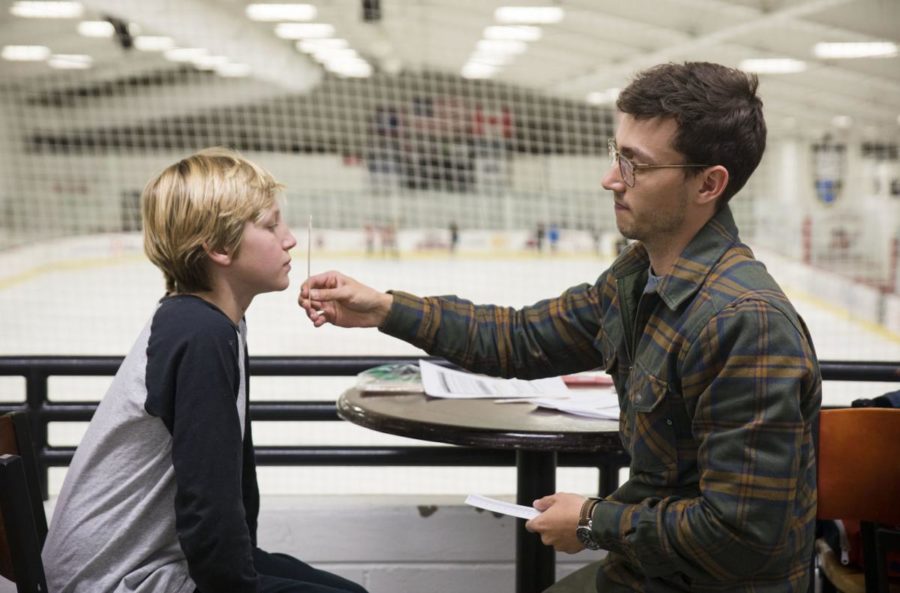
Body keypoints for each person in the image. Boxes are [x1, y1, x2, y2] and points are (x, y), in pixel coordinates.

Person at [299, 62, 821, 592]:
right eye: (616, 154)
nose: (611, 178)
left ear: (709, 184)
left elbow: (743, 536)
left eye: (635, 165)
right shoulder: (636, 277)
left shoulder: (745, 325)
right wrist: (384, 308)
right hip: (646, 574)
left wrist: (596, 521)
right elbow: (519, 340)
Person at [43, 148, 368, 593]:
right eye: (271, 225)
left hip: (156, 563)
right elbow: (208, 506)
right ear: (217, 247)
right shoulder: (200, 333)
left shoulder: (216, 323)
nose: (290, 239)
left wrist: (247, 563)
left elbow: (229, 488)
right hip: (117, 581)